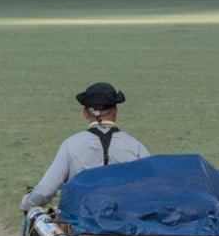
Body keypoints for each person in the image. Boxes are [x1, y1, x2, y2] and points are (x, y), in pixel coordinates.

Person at [20, 82, 149, 211]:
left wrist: (27, 203)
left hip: (80, 224)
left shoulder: (70, 145)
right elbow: (151, 188)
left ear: (85, 113)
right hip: (126, 224)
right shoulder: (136, 146)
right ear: (115, 111)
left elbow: (45, 191)